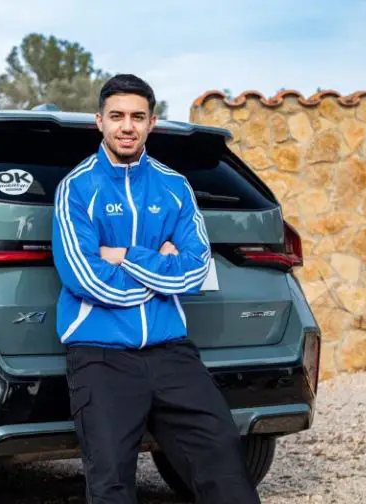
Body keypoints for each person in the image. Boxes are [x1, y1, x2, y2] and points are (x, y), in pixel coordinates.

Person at [51, 74, 261, 504]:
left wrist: (125, 255)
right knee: (111, 483)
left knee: (224, 463)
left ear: (152, 123)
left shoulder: (175, 186)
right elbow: (84, 277)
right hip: (101, 355)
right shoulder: (76, 188)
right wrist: (160, 266)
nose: (126, 126)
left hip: (171, 351)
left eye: (137, 116)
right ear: (99, 122)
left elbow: (194, 270)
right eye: (117, 116)